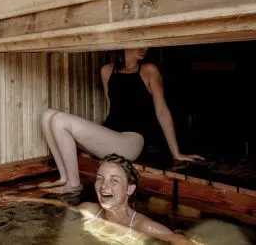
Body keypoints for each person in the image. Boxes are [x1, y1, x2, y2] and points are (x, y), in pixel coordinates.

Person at [40, 48, 204, 193]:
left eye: (146, 44)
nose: (144, 48)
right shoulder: (107, 71)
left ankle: (74, 184)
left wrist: (176, 152)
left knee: (60, 120)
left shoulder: (149, 71)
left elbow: (162, 111)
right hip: (112, 136)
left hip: (131, 141)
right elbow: (113, 107)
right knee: (48, 115)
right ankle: (63, 178)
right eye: (138, 43)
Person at [8, 154, 199, 245]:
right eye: (100, 179)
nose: (104, 186)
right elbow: (63, 206)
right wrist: (20, 199)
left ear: (129, 189)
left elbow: (178, 239)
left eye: (114, 181)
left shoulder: (142, 226)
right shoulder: (90, 210)